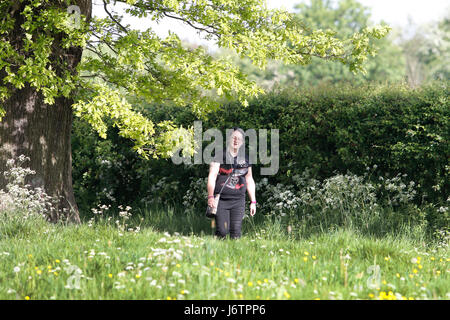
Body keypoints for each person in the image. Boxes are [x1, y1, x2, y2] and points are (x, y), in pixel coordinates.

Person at [207, 127, 256, 239]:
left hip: (238, 200)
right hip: (221, 200)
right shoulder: (219, 155)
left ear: (242, 142)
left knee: (236, 232)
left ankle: (234, 255)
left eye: (239, 139)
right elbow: (212, 176)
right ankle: (215, 253)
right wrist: (210, 196)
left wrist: (253, 201)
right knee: (222, 231)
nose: (236, 141)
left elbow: (249, 179)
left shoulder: (246, 158)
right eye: (233, 137)